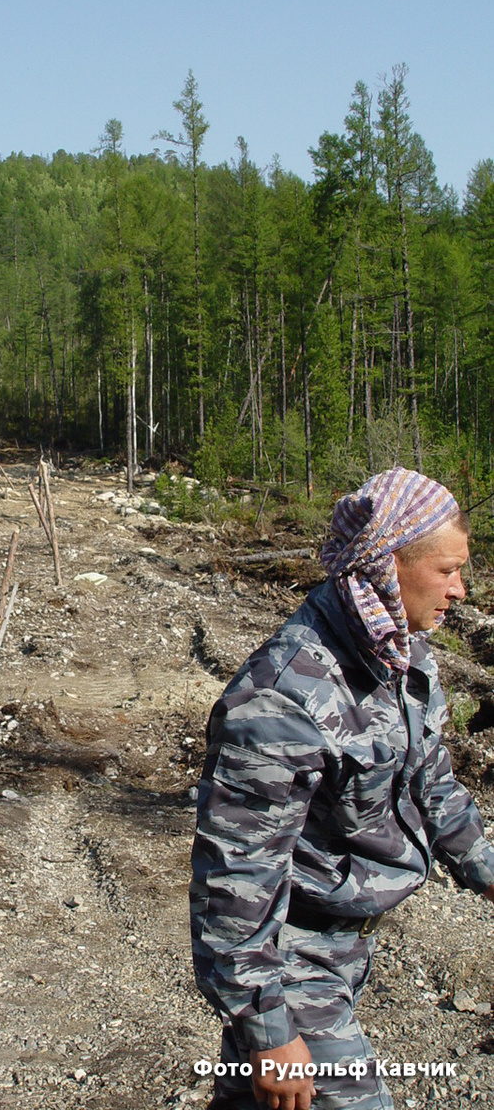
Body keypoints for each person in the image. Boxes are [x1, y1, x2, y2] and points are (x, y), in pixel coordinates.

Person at [189, 468, 494, 1110]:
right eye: (446, 571)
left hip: (346, 946)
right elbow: (237, 874)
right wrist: (269, 1029)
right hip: (291, 959)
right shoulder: (284, 696)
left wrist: (485, 867)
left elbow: (429, 775)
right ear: (389, 563)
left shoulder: (399, 650)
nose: (461, 590)